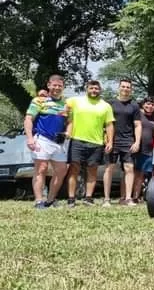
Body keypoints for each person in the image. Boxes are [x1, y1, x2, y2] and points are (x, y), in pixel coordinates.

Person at [66, 80, 115, 206]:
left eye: (96, 89)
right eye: (91, 88)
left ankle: (88, 198)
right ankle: (71, 199)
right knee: (73, 169)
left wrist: (110, 141)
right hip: (77, 140)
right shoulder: (75, 101)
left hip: (96, 143)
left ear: (100, 90)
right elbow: (60, 102)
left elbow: (109, 124)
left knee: (92, 170)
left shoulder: (106, 106)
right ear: (86, 89)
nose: (94, 91)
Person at [23, 74, 69, 208]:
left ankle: (50, 200)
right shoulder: (39, 100)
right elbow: (28, 119)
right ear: (48, 85)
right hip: (42, 139)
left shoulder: (66, 104)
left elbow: (69, 121)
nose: (57, 88)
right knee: (41, 169)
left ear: (63, 87)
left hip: (58, 141)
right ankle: (39, 201)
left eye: (60, 86)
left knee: (61, 170)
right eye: (54, 85)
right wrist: (30, 138)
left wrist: (67, 133)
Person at [102, 79, 141, 207]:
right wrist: (107, 139)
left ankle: (128, 198)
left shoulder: (134, 105)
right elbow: (105, 124)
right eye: (123, 86)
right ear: (118, 88)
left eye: (128, 87)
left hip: (128, 141)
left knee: (129, 168)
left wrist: (137, 142)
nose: (125, 89)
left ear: (131, 89)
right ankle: (106, 199)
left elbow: (137, 125)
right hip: (112, 141)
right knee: (109, 168)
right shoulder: (110, 103)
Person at [132, 97, 154, 203]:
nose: (150, 106)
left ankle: (147, 197)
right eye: (147, 104)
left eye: (152, 105)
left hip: (150, 150)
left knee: (148, 174)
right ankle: (135, 197)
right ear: (143, 105)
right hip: (139, 149)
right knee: (138, 174)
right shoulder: (138, 115)